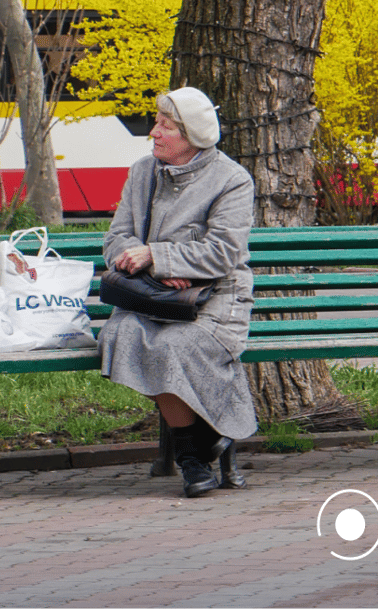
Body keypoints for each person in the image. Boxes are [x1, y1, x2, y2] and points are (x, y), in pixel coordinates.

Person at [99, 86, 256, 498]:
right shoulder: (141, 172)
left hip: (216, 301)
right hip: (151, 296)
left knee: (173, 347)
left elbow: (222, 253)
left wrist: (158, 255)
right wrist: (142, 260)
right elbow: (116, 236)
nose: (154, 132)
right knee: (127, 335)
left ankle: (189, 459)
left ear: (191, 136)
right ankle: (204, 447)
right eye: (157, 123)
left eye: (165, 126)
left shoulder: (231, 180)